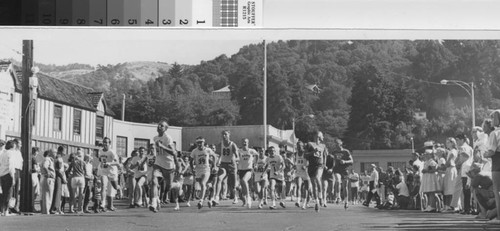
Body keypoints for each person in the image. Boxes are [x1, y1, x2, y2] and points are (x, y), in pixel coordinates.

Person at [150, 120, 178, 213]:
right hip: (158, 163)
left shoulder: (168, 138)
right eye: (158, 125)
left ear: (165, 129)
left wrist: (162, 146)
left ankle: (177, 184)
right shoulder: (155, 138)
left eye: (162, 126)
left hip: (168, 165)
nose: (159, 127)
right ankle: (154, 202)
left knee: (169, 187)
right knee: (154, 181)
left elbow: (173, 152)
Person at [305, 131, 328, 212]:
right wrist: (313, 152)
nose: (323, 138)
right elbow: (305, 155)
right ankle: (317, 202)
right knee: (313, 185)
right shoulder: (310, 144)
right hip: (311, 166)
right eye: (322, 136)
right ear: (318, 136)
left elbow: (325, 155)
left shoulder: (323, 146)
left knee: (318, 178)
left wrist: (324, 164)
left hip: (320, 165)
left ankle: (320, 196)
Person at [190, 137, 215, 209]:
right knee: (201, 184)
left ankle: (201, 201)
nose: (199, 144)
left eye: (201, 142)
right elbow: (191, 161)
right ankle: (209, 186)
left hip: (206, 169)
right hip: (198, 170)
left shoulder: (208, 150)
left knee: (202, 183)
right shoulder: (194, 151)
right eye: (198, 142)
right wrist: (192, 169)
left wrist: (215, 166)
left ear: (204, 142)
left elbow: (214, 156)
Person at [484, 110, 500, 224]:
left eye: (494, 118)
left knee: (497, 191)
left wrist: (485, 154)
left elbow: (491, 151)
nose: (492, 120)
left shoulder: (495, 133)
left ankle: (499, 216)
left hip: (497, 163)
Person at [216, 130, 239, 204]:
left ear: (229, 135)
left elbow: (238, 157)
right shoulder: (220, 144)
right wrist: (217, 162)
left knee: (233, 184)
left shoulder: (233, 144)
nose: (224, 136)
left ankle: (235, 197)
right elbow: (219, 155)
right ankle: (216, 197)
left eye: (225, 134)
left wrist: (234, 160)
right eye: (223, 134)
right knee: (219, 178)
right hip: (223, 164)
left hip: (231, 165)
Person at [99, 137, 120, 212]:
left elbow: (117, 163)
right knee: (103, 186)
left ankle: (119, 189)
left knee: (115, 187)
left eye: (106, 142)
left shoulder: (112, 152)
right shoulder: (100, 151)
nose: (105, 144)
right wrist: (101, 165)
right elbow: (100, 159)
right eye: (104, 142)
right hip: (104, 171)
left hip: (112, 172)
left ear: (109, 144)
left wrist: (109, 163)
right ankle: (103, 203)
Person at [331, 138, 353, 207]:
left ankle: (346, 201)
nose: (336, 145)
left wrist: (345, 161)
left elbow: (352, 161)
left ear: (341, 143)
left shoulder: (346, 152)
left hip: (344, 170)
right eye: (335, 144)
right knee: (337, 180)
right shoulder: (334, 152)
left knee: (345, 186)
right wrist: (330, 168)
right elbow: (332, 161)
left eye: (337, 143)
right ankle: (338, 197)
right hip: (337, 169)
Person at [456, 133, 474, 214]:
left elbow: (465, 156)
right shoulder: (469, 147)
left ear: (462, 140)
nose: (457, 142)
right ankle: (467, 207)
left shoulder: (463, 147)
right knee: (467, 190)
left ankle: (467, 208)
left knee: (466, 190)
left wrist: (458, 164)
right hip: (468, 168)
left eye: (458, 140)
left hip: (465, 168)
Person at [238, 138, 257, 208]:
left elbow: (257, 155)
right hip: (241, 170)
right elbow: (235, 157)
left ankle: (249, 197)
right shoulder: (239, 151)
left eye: (245, 142)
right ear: (241, 143)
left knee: (244, 180)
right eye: (243, 142)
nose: (244, 143)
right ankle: (245, 201)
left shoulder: (251, 151)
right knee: (241, 191)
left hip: (249, 170)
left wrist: (255, 164)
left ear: (248, 143)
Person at [0, 140, 16, 216]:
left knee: (4, 193)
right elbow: (11, 166)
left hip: (2, 174)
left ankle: (3, 210)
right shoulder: (11, 153)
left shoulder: (3, 153)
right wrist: (13, 177)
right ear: (12, 146)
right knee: (9, 193)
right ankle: (6, 210)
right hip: (8, 174)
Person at [294, 141, 311, 209]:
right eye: (297, 146)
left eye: (300, 146)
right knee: (298, 185)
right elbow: (296, 162)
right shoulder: (296, 154)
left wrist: (306, 166)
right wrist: (293, 168)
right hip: (298, 172)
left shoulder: (306, 153)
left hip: (306, 173)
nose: (298, 147)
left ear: (302, 146)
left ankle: (304, 204)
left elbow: (310, 163)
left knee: (306, 189)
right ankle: (298, 201)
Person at [39, 149, 56, 215]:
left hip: (46, 178)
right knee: (48, 196)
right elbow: (45, 166)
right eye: (55, 152)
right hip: (48, 179)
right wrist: (49, 173)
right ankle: (46, 211)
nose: (56, 154)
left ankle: (45, 211)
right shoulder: (47, 159)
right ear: (50, 153)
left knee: (46, 195)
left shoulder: (48, 159)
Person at [10, 139, 23, 214]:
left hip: (18, 171)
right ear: (16, 144)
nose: (20, 145)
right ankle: (11, 207)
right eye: (20, 144)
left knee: (17, 189)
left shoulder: (19, 152)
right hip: (14, 170)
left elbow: (21, 162)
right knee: (13, 188)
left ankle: (16, 206)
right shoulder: (13, 152)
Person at [31, 147, 41, 212]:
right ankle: (32, 207)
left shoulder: (30, 157)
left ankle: (32, 206)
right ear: (35, 152)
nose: (37, 153)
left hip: (33, 175)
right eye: (37, 151)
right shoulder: (34, 158)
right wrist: (38, 168)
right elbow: (35, 169)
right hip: (34, 175)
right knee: (34, 192)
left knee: (34, 192)